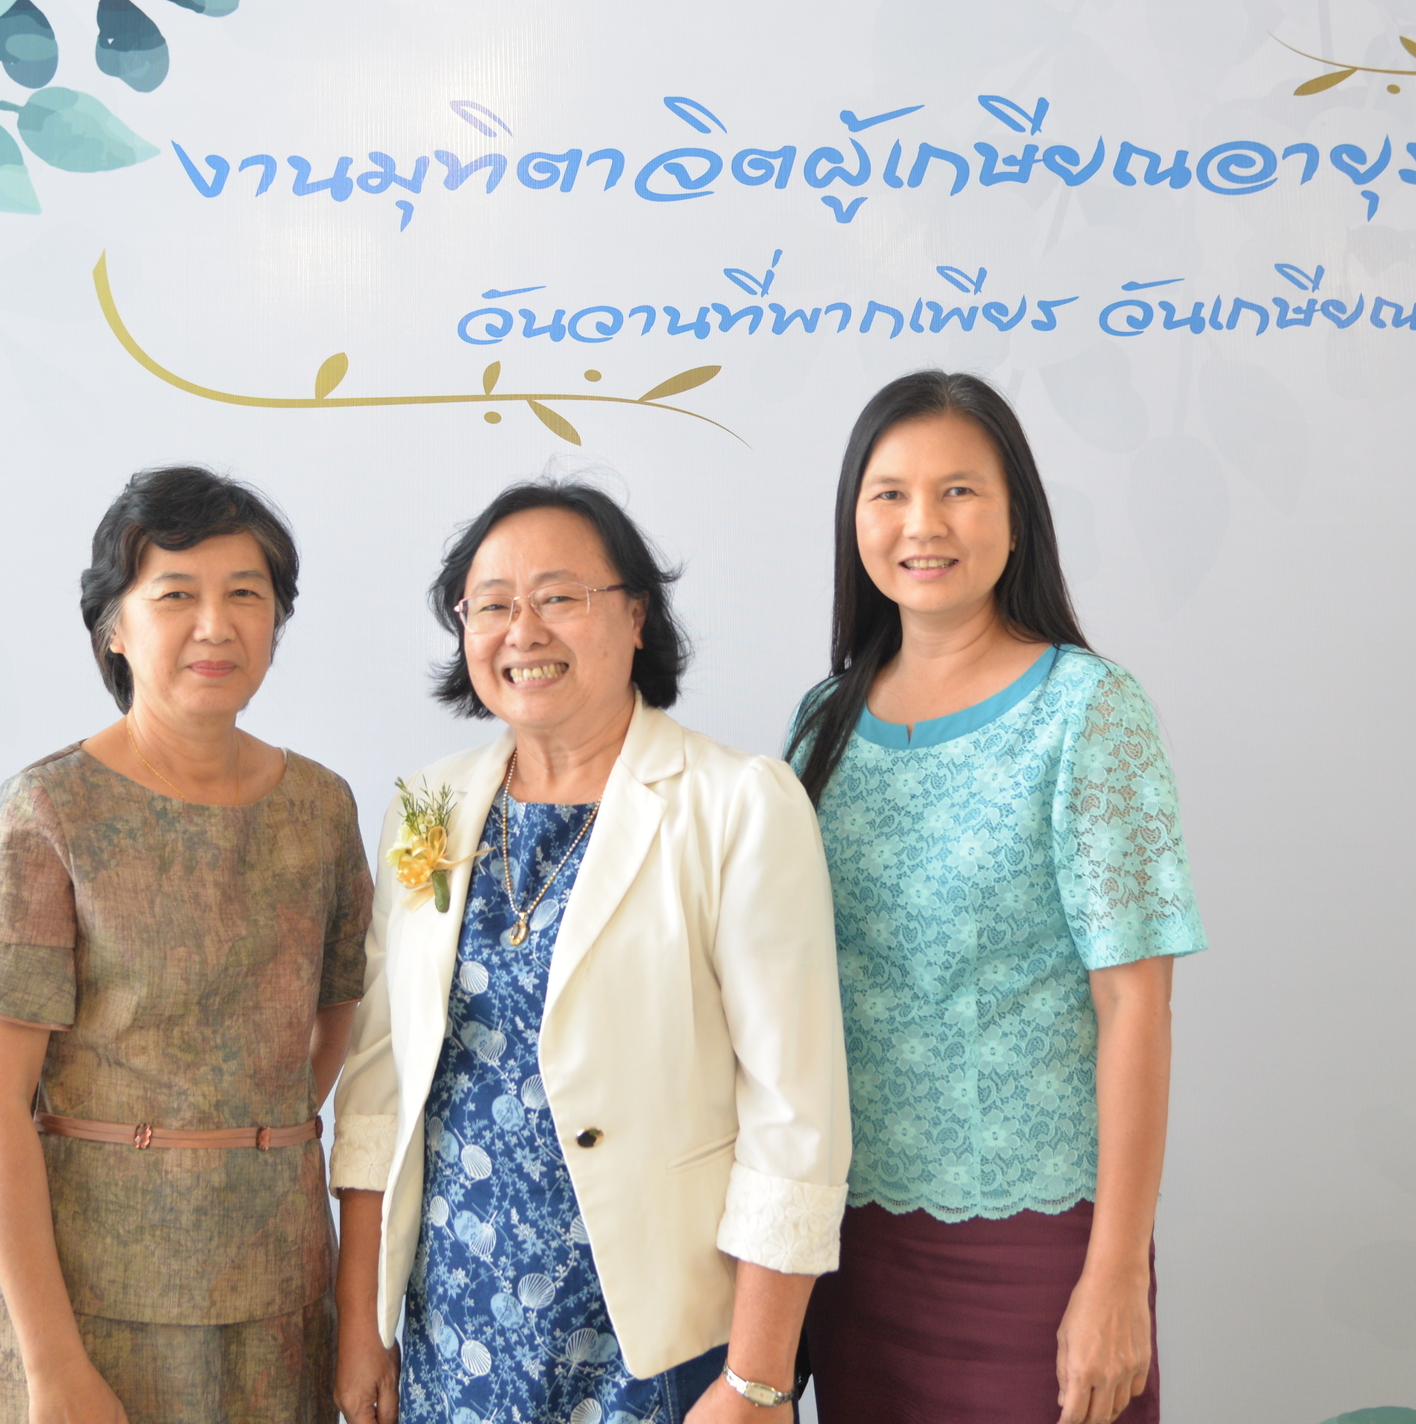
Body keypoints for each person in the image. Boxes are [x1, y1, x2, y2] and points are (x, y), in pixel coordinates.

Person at [331, 481, 851, 1424]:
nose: (523, 630)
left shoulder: (737, 803)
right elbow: (378, 1091)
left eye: (559, 596)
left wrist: (758, 1378)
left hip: (657, 1346)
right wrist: (361, 1327)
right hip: (456, 1331)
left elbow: (795, 1119)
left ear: (636, 615)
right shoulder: (427, 808)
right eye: (492, 604)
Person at [791, 372, 1205, 1424]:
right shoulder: (820, 722)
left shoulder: (1088, 711)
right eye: (889, 494)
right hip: (847, 1249)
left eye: (959, 491)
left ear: (1017, 517)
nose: (922, 524)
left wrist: (1116, 1274)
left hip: (1038, 1249)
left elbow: (1136, 1005)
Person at [0, 465, 372, 1424]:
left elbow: (339, 1004)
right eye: (176, 594)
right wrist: (53, 1364)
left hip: (279, 1284)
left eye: (247, 595)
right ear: (114, 627)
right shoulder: (49, 810)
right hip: (95, 1300)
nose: (216, 625)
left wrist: (245, 1139)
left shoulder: (321, 806)